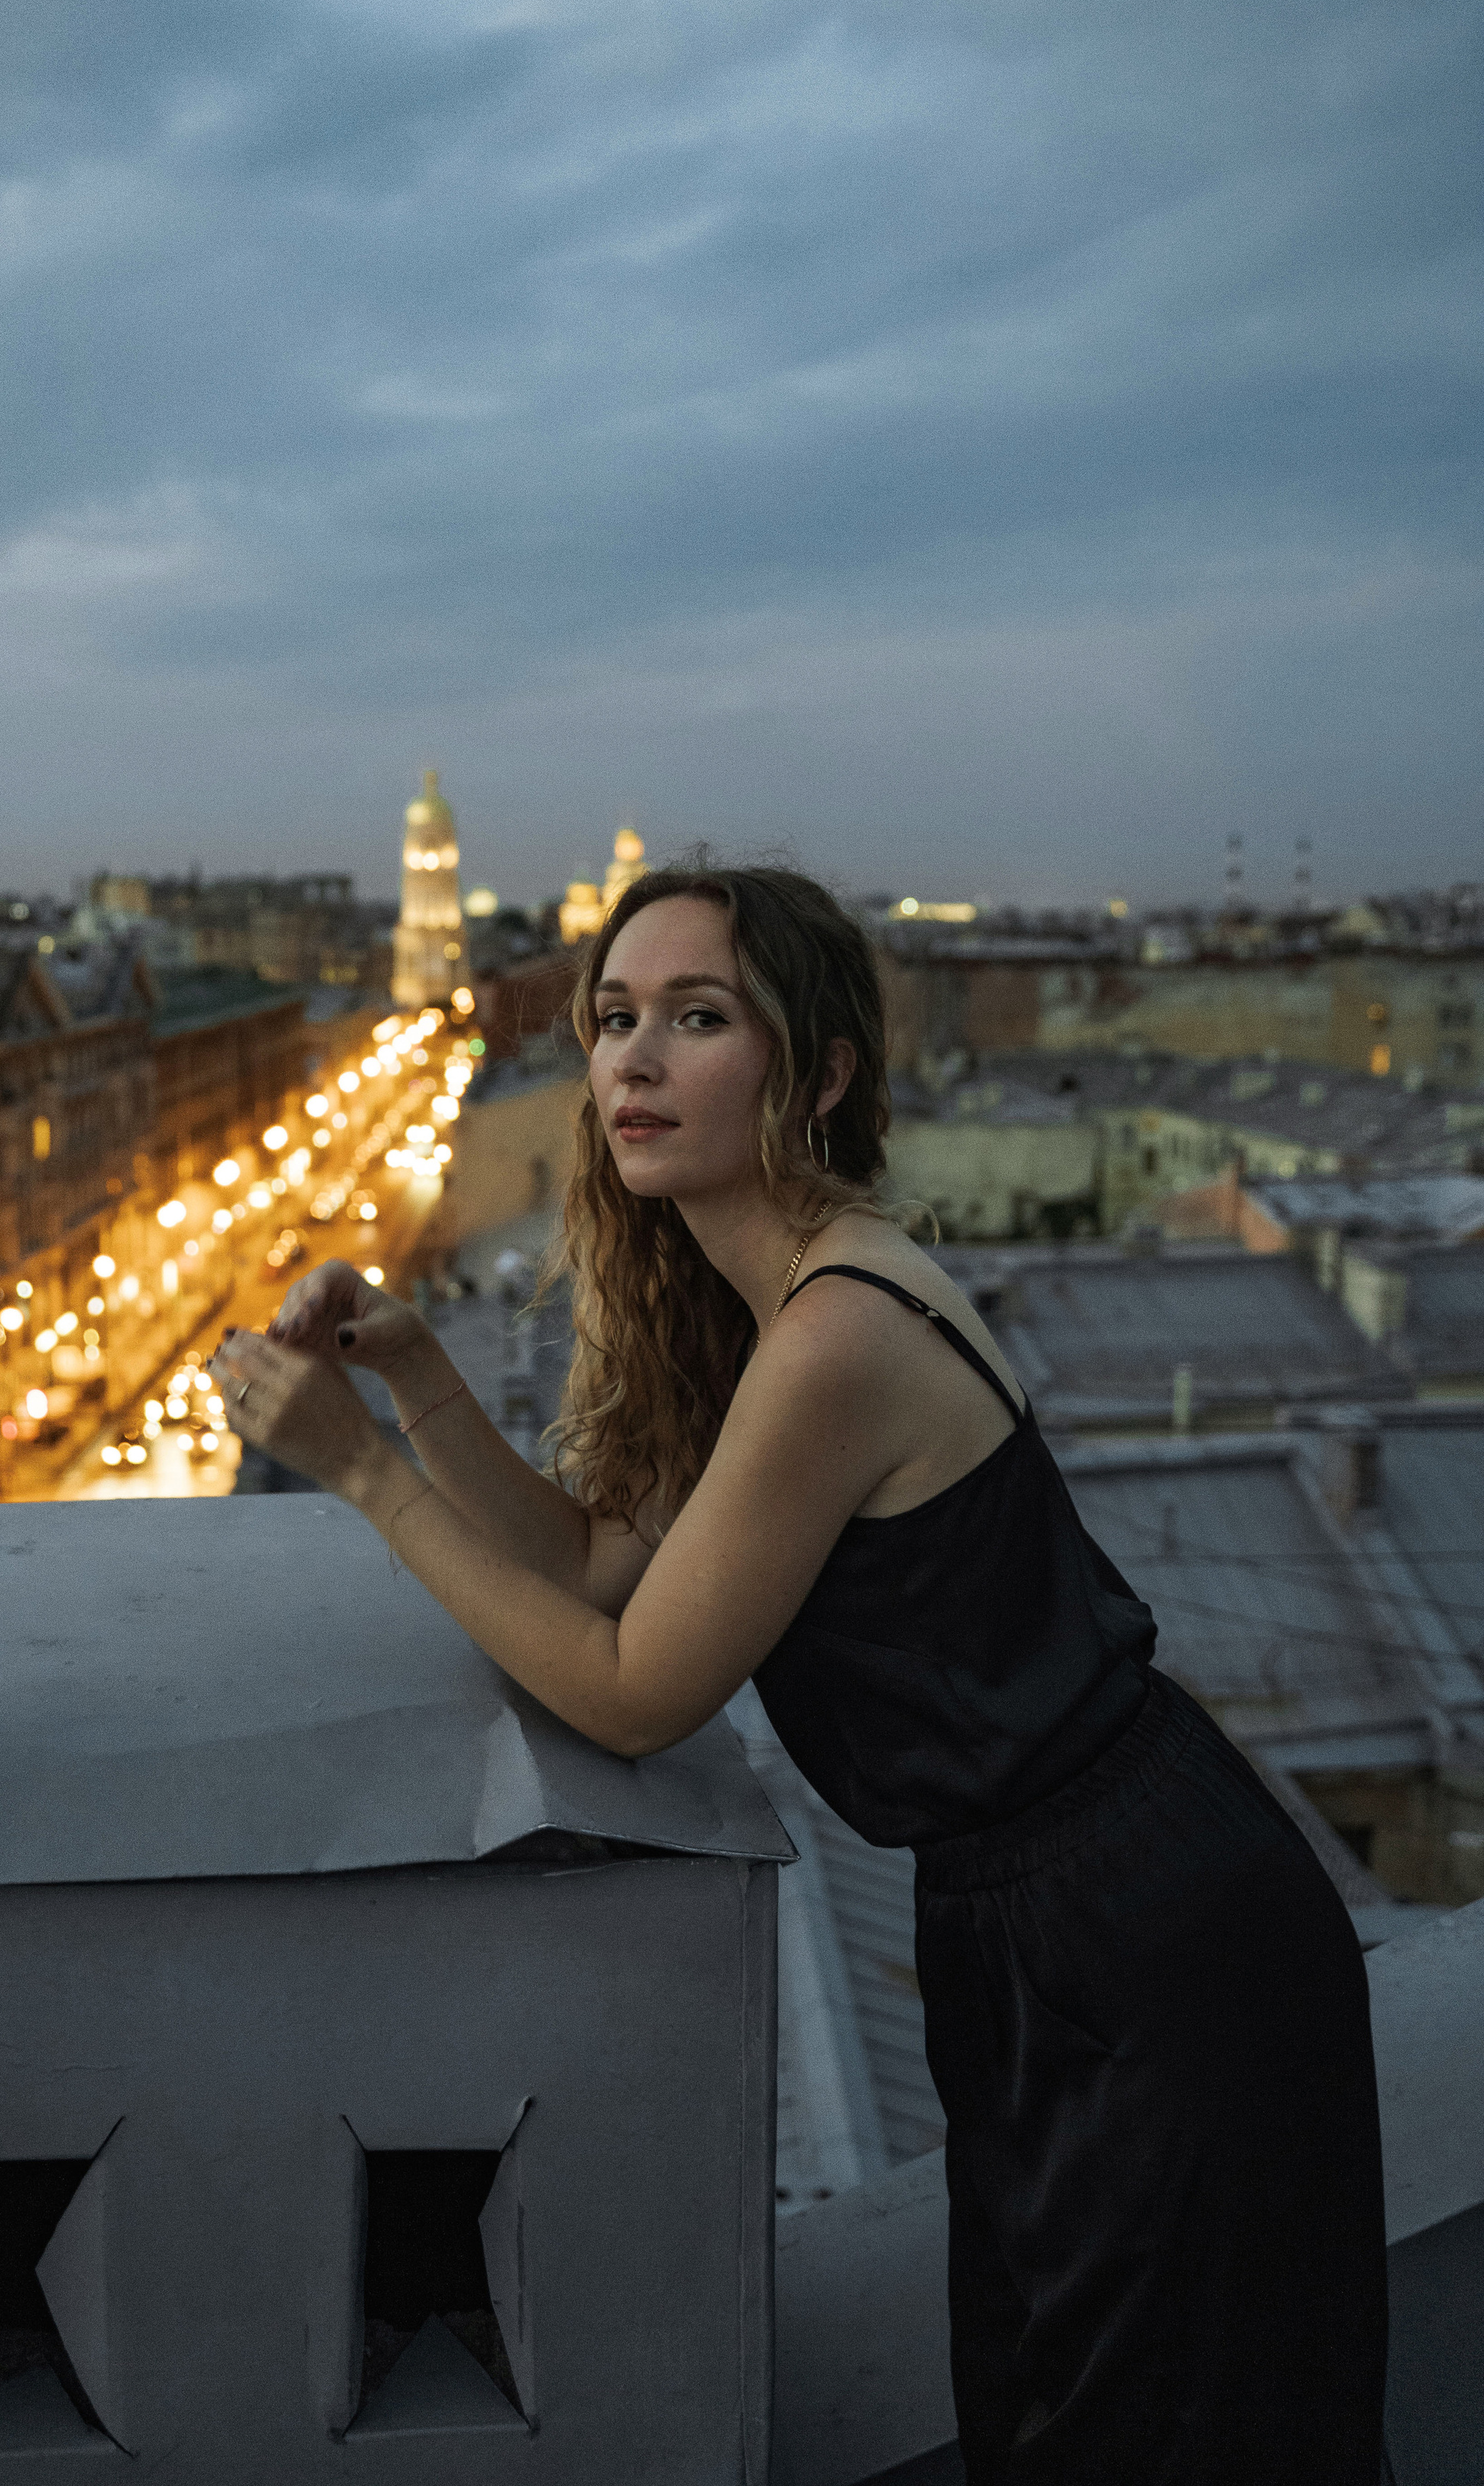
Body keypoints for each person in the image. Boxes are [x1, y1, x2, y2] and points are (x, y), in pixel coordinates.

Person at [213, 861, 1386, 2485]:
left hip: (1141, 1937)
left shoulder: (835, 1333)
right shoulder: (764, 1309)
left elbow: (631, 1689)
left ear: (816, 1073)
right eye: (613, 1017)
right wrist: (410, 1372)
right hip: (1056, 1919)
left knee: (1149, 2430)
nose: (629, 1059)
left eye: (696, 1019)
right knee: (1059, 2400)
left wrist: (359, 1476)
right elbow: (586, 1571)